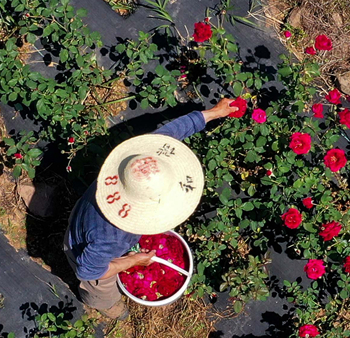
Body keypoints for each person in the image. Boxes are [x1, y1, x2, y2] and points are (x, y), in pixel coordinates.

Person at [63, 98, 235, 319]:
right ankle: (103, 304)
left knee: (91, 235)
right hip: (81, 249)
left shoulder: (136, 163)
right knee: (100, 286)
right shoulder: (112, 236)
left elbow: (171, 133)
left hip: (86, 214)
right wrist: (134, 261)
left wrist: (213, 113)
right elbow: (87, 270)